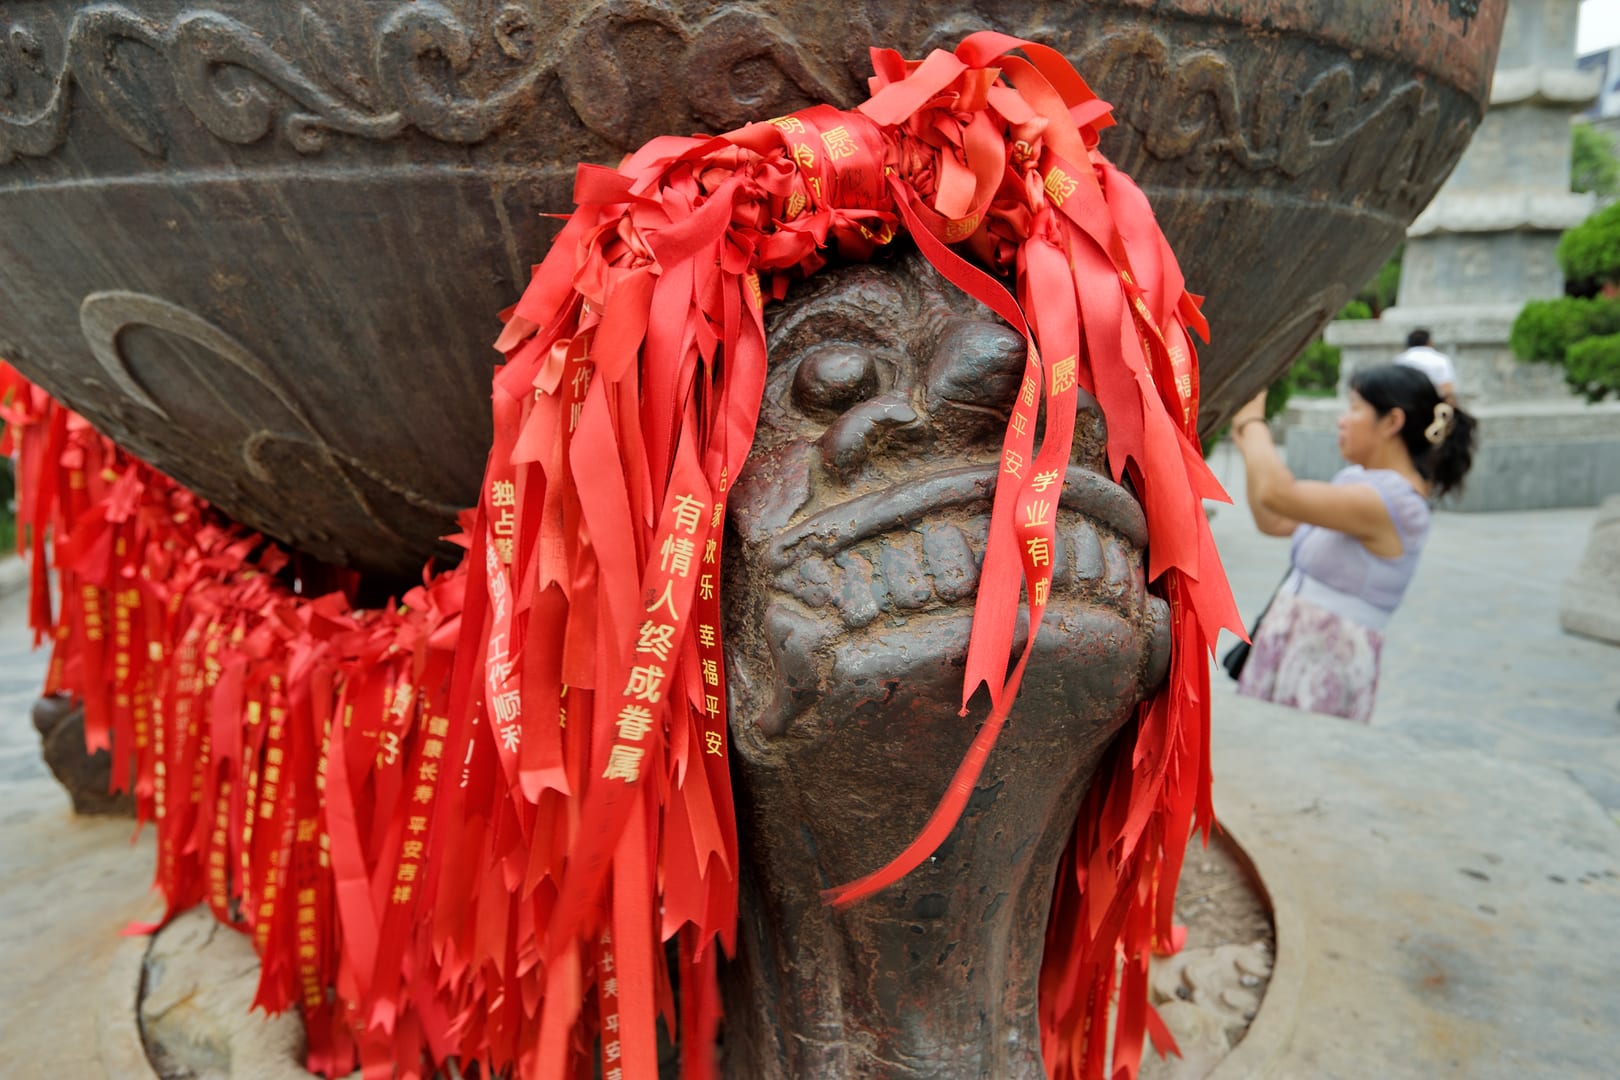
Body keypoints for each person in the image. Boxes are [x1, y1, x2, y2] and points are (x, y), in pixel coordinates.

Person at [1226, 363, 1475, 722]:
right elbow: (1274, 520)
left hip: (1325, 660)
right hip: (1292, 643)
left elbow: (1278, 496)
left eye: (1355, 407)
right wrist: (1248, 438)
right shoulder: (1359, 481)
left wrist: (1252, 422)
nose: (1342, 420)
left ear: (1392, 422)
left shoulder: (1399, 503)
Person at [1393, 328, 1457, 401]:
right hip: (1432, 405)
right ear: (1429, 342)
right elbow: (1447, 390)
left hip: (1405, 405)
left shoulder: (1398, 361)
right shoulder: (1441, 360)